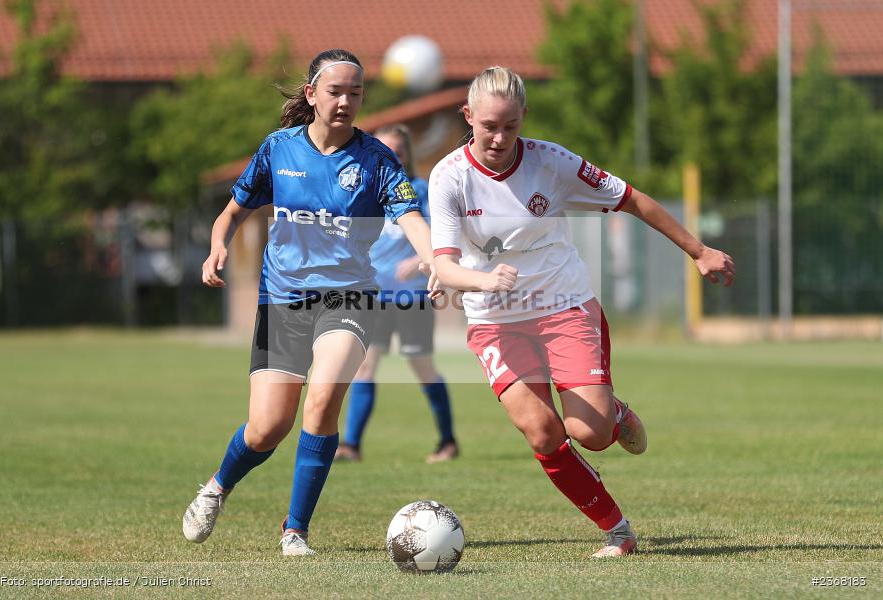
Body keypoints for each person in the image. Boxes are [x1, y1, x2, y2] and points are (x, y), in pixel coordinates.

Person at [428, 67, 736, 558]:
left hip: (562, 306)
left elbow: (631, 199)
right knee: (542, 431)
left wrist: (698, 251)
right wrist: (477, 278)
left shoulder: (552, 162)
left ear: (524, 116)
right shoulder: (448, 177)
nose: (500, 137)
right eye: (489, 126)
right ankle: (618, 531)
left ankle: (611, 411)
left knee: (590, 435)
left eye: (510, 125)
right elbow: (444, 264)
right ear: (469, 117)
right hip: (495, 320)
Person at [182, 49, 438, 557]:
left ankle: (294, 530)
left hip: (350, 297)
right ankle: (216, 487)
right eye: (335, 91)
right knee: (267, 428)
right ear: (312, 94)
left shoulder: (376, 159)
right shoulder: (278, 149)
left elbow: (410, 217)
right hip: (282, 302)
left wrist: (433, 259)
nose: (345, 101)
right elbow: (231, 212)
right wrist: (218, 246)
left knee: (321, 402)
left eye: (355, 93)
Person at [335, 124, 459, 465]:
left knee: (423, 368)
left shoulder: (420, 190)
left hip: (412, 297)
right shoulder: (366, 193)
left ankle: (447, 441)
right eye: (386, 151)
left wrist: (418, 259)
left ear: (407, 155)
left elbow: (440, 237)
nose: (393, 156)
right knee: (364, 367)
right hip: (375, 297)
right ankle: (351, 445)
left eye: (399, 151)